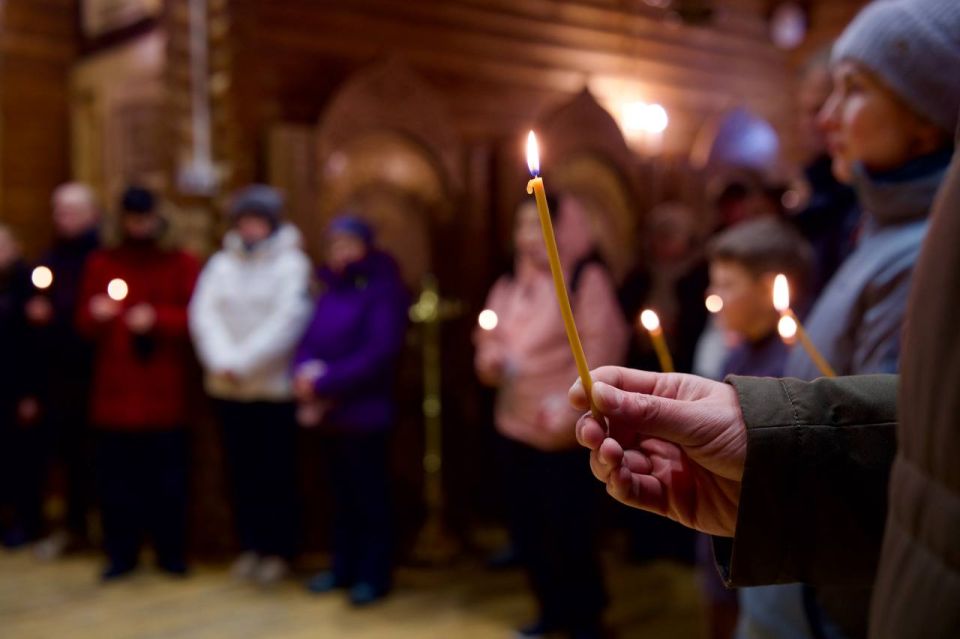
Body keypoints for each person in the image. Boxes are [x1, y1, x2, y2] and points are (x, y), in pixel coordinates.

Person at [570, 3, 959, 637]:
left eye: (854, 91)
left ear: (928, 114)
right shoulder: (878, 230)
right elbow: (893, 442)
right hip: (808, 566)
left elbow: (916, 450)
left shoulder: (922, 250)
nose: (827, 118)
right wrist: (768, 452)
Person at [475, 195, 629, 639]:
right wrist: (491, 357)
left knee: (570, 530)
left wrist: (570, 405)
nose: (527, 236)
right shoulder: (510, 282)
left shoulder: (584, 278)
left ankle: (585, 618)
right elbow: (491, 332)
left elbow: (602, 344)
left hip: (565, 430)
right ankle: (550, 610)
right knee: (528, 528)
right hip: (514, 421)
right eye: (521, 226)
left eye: (537, 224)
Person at [189, 185, 312, 586]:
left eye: (257, 221)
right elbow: (204, 314)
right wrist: (222, 361)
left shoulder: (291, 265)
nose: (250, 228)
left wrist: (243, 362)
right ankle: (250, 546)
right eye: (244, 221)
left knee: (275, 472)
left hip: (271, 387)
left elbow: (288, 320)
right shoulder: (222, 264)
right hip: (228, 387)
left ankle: (279, 549)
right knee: (239, 473)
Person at [77, 186, 200, 580]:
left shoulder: (181, 262)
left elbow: (197, 318)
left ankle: (171, 551)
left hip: (163, 388)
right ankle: (121, 552)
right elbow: (82, 324)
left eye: (145, 219)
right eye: (131, 219)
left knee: (167, 479)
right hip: (115, 390)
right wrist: (96, 314)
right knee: (117, 481)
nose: (138, 226)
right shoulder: (101, 262)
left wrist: (158, 319)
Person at [705, 218, 814, 639]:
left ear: (770, 288)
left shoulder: (797, 368)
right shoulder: (740, 351)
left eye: (728, 285)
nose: (715, 298)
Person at [294, 215, 409, 607]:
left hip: (366, 411)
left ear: (365, 247)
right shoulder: (329, 287)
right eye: (334, 245)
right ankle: (342, 566)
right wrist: (302, 372)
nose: (341, 252)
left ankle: (373, 574)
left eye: (349, 244)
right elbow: (309, 337)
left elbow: (378, 351)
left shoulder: (382, 289)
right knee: (338, 496)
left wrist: (325, 382)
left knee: (370, 496)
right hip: (330, 414)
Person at [24, 183, 102, 559]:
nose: (63, 218)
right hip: (57, 374)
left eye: (71, 210)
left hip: (94, 371)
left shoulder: (100, 256)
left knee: (96, 456)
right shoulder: (51, 257)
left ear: (91, 213)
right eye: (58, 211)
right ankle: (72, 526)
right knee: (64, 453)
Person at [789, 49, 860, 300]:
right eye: (805, 111)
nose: (820, 121)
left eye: (819, 108)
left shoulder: (860, 195)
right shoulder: (816, 184)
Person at [0, 225, 40, 547]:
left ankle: (25, 522)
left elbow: (31, 347)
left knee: (21, 459)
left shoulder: (28, 286)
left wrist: (30, 392)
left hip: (17, 385)